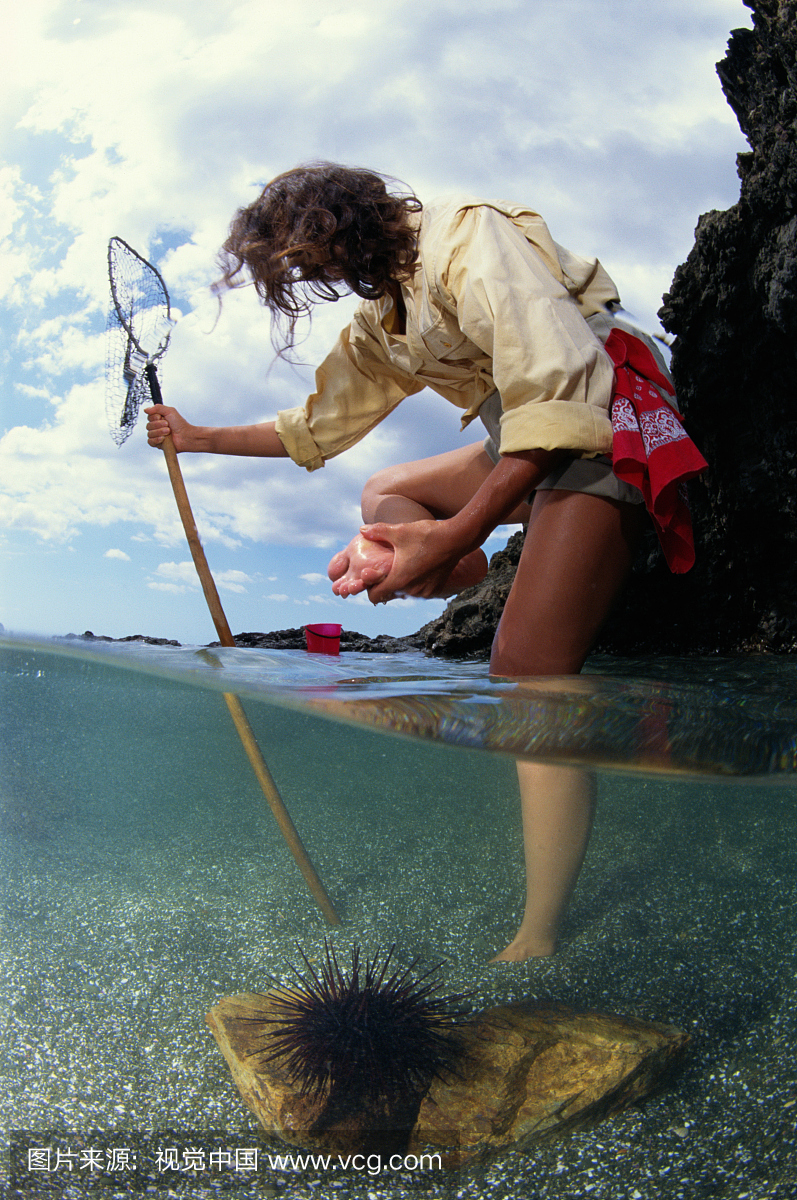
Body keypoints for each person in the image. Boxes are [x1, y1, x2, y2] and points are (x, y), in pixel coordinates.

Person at [145, 162, 681, 961]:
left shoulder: (468, 235)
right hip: (519, 435)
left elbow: (562, 391)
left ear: (340, 221)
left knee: (527, 675)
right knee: (384, 490)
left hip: (606, 408)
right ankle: (470, 572)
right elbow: (316, 428)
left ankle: (540, 936)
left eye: (308, 256)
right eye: (296, 271)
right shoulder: (379, 322)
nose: (310, 276)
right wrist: (196, 437)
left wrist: (461, 527)